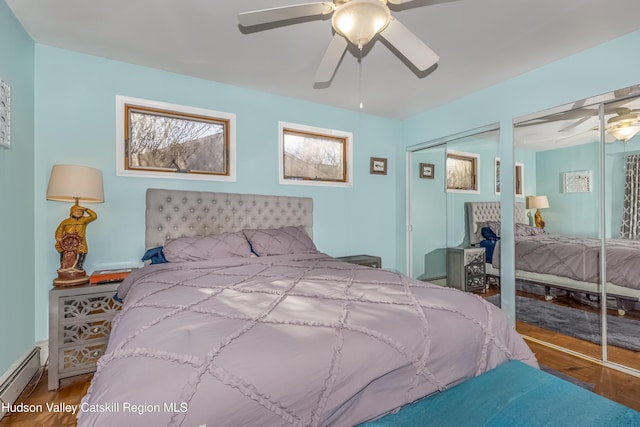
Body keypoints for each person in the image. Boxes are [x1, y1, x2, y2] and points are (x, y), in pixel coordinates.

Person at [54, 205, 97, 271]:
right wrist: (59, 238)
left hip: (80, 240)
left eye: (80, 211)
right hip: (68, 241)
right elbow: (59, 230)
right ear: (72, 212)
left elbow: (94, 216)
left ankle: (79, 266)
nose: (78, 212)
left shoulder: (84, 220)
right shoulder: (65, 222)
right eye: (76, 211)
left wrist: (86, 209)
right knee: (64, 251)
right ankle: (63, 266)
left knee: (83, 251)